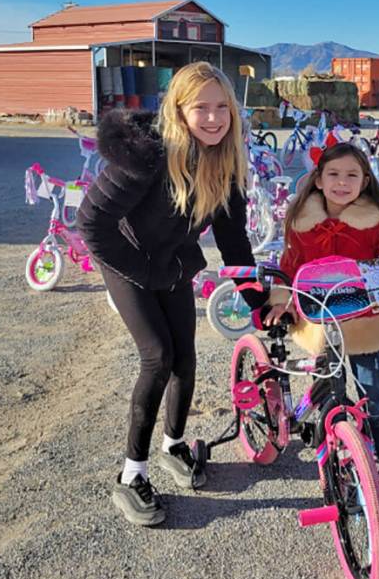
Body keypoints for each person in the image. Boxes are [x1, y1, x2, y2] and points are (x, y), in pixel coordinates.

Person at [77, 62, 266, 527]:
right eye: (201, 107)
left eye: (222, 107)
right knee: (158, 357)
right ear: (178, 110)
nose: (214, 117)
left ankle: (174, 446)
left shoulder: (226, 164)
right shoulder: (146, 155)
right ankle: (130, 475)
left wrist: (260, 301)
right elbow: (91, 224)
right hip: (127, 260)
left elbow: (234, 242)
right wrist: (142, 271)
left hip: (172, 263)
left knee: (186, 358)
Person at [264, 142, 379, 495]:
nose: (342, 182)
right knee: (327, 391)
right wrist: (282, 301)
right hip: (320, 321)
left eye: (352, 175)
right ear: (318, 180)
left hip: (365, 321)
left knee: (374, 396)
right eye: (333, 174)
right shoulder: (302, 221)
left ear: (365, 180)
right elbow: (289, 266)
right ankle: (333, 446)